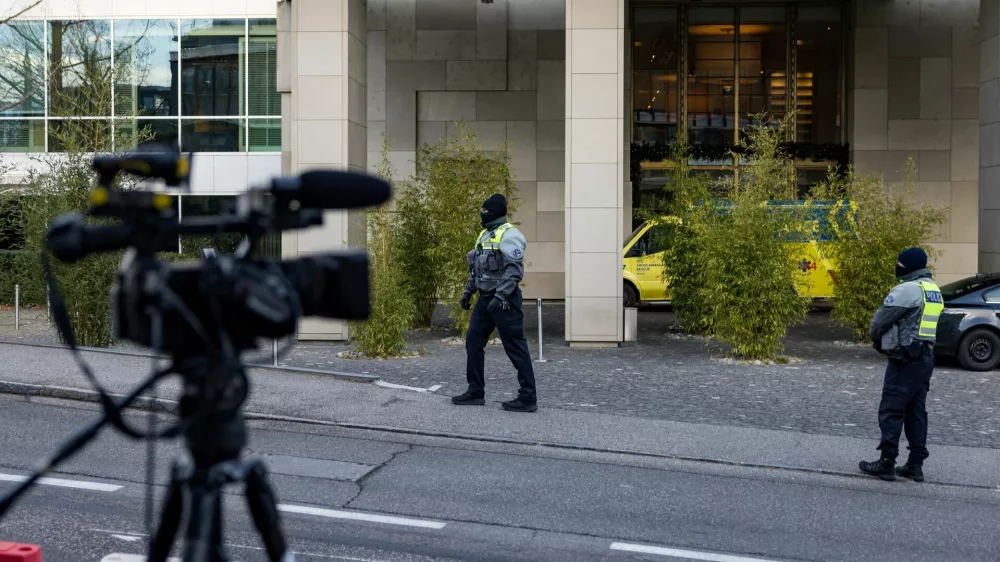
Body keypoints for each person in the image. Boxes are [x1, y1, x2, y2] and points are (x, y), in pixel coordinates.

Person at [860, 247, 942, 482]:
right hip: (925, 358)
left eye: (899, 263)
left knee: (891, 409)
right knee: (916, 411)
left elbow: (878, 323)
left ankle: (887, 462)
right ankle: (915, 465)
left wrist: (877, 339)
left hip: (905, 359)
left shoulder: (907, 289)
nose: (897, 267)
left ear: (908, 266)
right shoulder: (932, 289)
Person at [451, 194, 538, 413]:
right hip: (485, 298)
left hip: (505, 300)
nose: (483, 214)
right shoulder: (484, 234)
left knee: (515, 346)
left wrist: (500, 297)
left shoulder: (509, 234)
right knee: (473, 342)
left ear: (496, 212)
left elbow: (514, 270)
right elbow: (477, 268)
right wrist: (467, 292)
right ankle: (475, 391)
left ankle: (528, 397)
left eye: (486, 210)